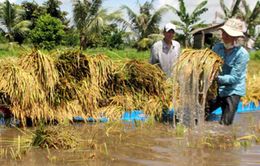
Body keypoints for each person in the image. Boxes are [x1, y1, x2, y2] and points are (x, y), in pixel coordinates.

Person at [205, 18, 249, 125]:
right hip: (218, 88)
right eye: (223, 33)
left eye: (227, 34)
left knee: (225, 124)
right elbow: (210, 65)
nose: (223, 36)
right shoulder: (217, 48)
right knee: (200, 113)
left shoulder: (242, 54)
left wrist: (216, 78)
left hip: (233, 90)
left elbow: (234, 78)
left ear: (235, 37)